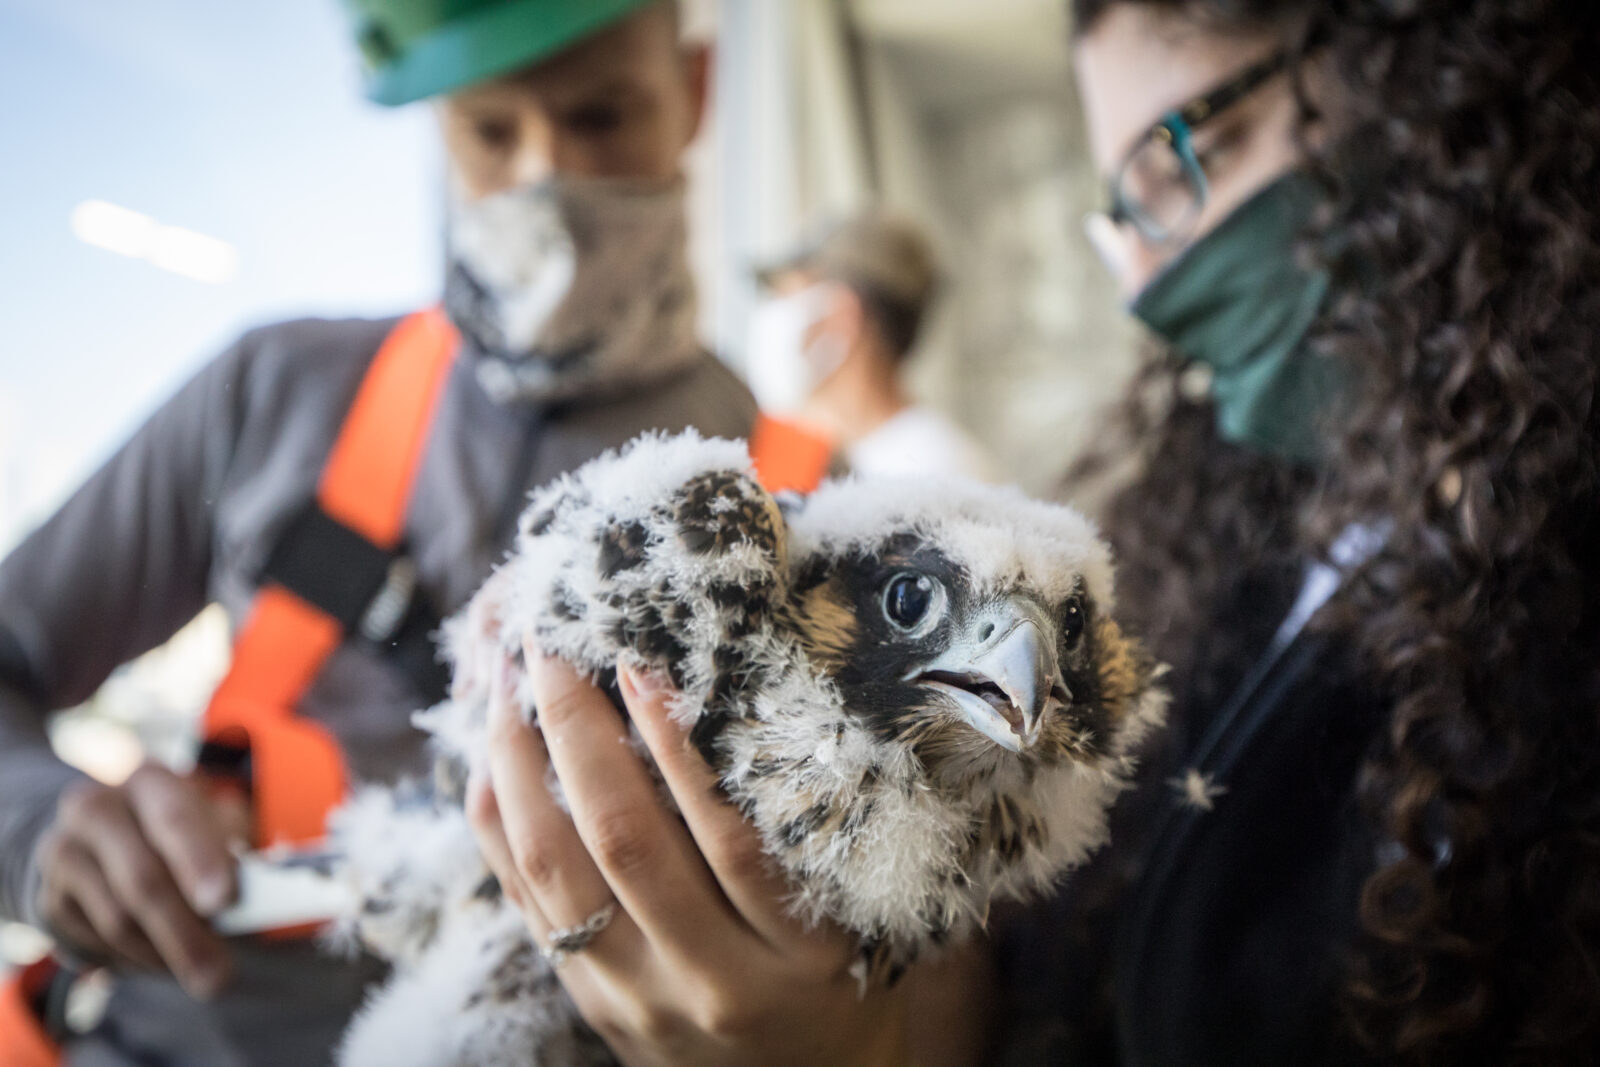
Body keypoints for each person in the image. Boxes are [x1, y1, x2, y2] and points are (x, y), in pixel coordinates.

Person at [466, 0, 1600, 1064]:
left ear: (1437, 84)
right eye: (1127, 211)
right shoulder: (1250, 540)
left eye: (1183, 161)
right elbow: (1061, 968)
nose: (1149, 278)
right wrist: (879, 1003)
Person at [0, 1, 761, 1063]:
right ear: (440, 127)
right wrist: (41, 824)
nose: (546, 175)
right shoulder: (275, 396)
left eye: (602, 116)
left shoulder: (799, 505)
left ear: (696, 92)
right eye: (492, 132)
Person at [747, 210, 999, 482]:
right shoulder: (787, 451)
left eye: (787, 296)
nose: (772, 315)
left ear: (843, 315)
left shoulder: (941, 474)